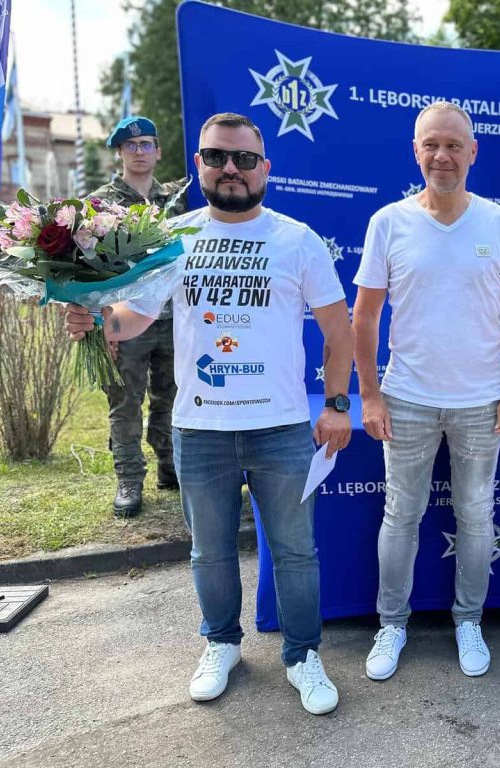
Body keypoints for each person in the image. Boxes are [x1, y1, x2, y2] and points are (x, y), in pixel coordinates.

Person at [66, 113, 351, 715]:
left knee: (296, 552)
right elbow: (135, 317)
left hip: (280, 427)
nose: (230, 169)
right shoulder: (175, 237)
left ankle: (303, 654)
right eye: (217, 157)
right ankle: (221, 643)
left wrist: (335, 404)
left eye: (244, 159)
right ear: (198, 165)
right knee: (209, 552)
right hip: (200, 428)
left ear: (264, 168)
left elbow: (338, 330)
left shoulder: (298, 239)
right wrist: (95, 318)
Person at [352, 102, 500, 681]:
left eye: (454, 145)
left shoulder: (498, 223)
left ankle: (468, 620)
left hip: (481, 401)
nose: (442, 156)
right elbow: (364, 317)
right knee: (401, 513)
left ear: (472, 152)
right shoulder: (388, 222)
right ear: (416, 151)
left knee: (476, 516)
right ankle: (391, 624)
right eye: (431, 144)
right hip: (406, 398)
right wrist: (370, 395)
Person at [89, 116, 189, 518]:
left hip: (173, 317)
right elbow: (88, 267)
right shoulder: (99, 203)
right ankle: (129, 478)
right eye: (131, 146)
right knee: (125, 401)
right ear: (120, 152)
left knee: (172, 396)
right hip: (125, 318)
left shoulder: (178, 200)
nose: (139, 151)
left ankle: (169, 464)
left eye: (146, 144)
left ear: (158, 151)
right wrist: (99, 322)